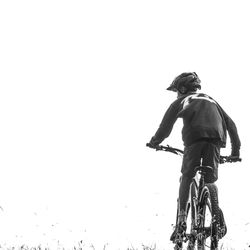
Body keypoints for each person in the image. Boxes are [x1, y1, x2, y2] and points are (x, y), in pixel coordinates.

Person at [147, 72, 241, 243]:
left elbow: (166, 126)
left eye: (176, 90)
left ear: (182, 89)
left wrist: (155, 142)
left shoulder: (182, 100)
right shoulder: (212, 100)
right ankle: (216, 216)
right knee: (210, 178)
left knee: (187, 175)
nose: (176, 94)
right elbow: (231, 125)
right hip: (216, 140)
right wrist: (236, 153)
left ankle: (182, 220)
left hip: (194, 138)